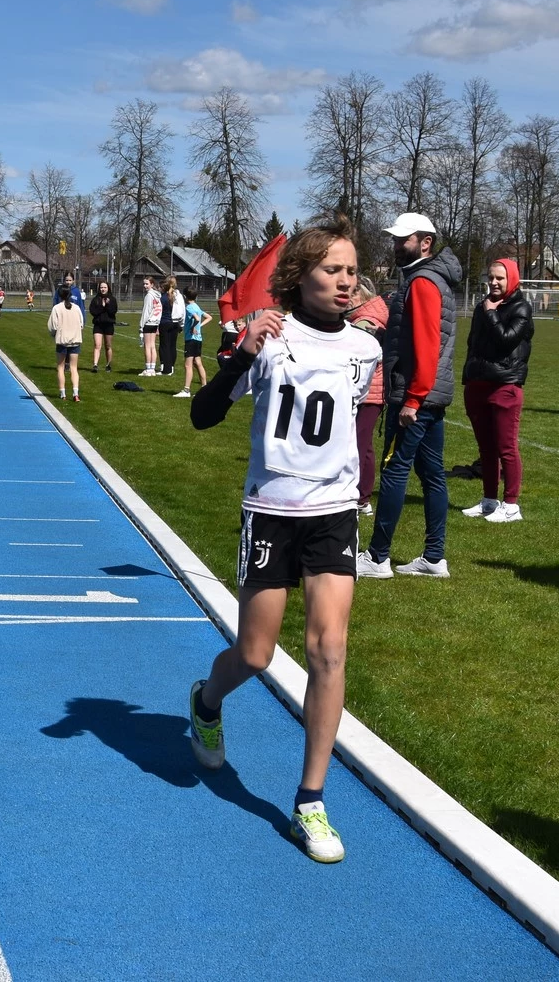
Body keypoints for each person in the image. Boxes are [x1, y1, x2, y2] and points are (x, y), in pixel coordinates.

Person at [186, 215, 378, 865]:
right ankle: (206, 699)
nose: (346, 281)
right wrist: (242, 352)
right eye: (333, 269)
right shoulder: (268, 337)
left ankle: (310, 800)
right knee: (257, 654)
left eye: (352, 271)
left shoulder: (366, 349)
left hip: (333, 513)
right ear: (300, 275)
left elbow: (354, 426)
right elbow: (203, 415)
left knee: (329, 650)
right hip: (271, 513)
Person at [359, 212, 463, 580]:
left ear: (425, 243)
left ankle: (377, 557)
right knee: (432, 473)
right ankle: (434, 557)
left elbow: (427, 343)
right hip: (431, 394)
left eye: (403, 239)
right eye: (395, 239)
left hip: (415, 396)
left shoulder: (422, 281)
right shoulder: (428, 278)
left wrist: (414, 399)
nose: (396, 245)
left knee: (394, 470)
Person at [460, 258, 533, 524]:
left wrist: (491, 314)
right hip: (478, 385)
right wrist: (469, 376)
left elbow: (506, 339)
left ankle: (511, 505)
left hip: (505, 385)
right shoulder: (483, 306)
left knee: (506, 447)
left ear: (511, 279)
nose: (493, 282)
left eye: (499, 278)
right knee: (486, 448)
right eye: (490, 277)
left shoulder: (521, 307)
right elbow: (473, 344)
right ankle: (489, 500)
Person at [348, 279, 388, 515]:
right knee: (365, 446)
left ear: (360, 296)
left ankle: (358, 497)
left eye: (350, 295)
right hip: (371, 391)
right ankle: (363, 496)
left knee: (357, 445)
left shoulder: (365, 321)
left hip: (368, 392)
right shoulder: (368, 316)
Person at [48, 284, 85, 402]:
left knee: (60, 367)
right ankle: (75, 393)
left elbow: (52, 326)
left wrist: (54, 334)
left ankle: (63, 394)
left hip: (62, 341)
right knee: (74, 368)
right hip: (75, 341)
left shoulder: (57, 308)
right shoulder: (76, 308)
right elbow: (81, 324)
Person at [175, 285, 210, 398]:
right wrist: (199, 326)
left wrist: (194, 326)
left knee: (188, 365)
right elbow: (209, 317)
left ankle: (186, 390)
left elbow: (197, 318)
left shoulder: (189, 308)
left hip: (191, 340)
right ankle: (205, 388)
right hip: (198, 339)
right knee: (198, 363)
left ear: (185, 296)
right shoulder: (197, 307)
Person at [158, 277, 184, 378]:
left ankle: (166, 369)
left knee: (165, 346)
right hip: (176, 323)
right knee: (172, 346)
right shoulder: (179, 295)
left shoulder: (164, 297)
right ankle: (171, 367)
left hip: (166, 322)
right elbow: (183, 311)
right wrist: (181, 324)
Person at [91, 279, 119, 373]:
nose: (103, 289)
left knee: (108, 346)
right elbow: (93, 312)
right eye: (101, 287)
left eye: (105, 287)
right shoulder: (95, 299)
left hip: (108, 325)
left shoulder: (112, 299)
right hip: (98, 325)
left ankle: (108, 365)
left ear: (108, 288)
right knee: (97, 345)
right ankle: (95, 365)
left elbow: (113, 311)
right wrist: (101, 306)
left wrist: (107, 305)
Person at [139, 276, 162, 375]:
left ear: (152, 284)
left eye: (147, 284)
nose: (145, 286)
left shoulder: (149, 296)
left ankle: (148, 369)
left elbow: (146, 312)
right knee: (152, 346)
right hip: (155, 322)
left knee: (147, 346)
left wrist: (141, 326)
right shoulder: (157, 295)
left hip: (148, 323)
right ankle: (152, 369)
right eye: (144, 284)